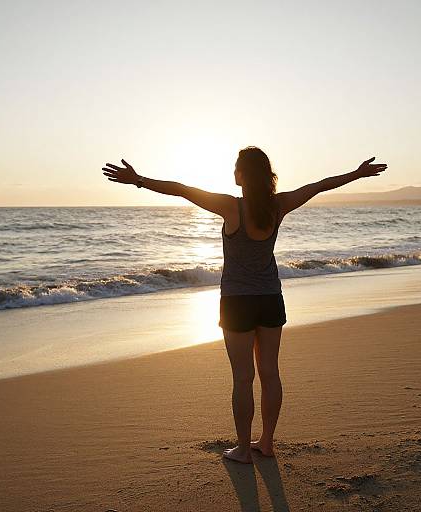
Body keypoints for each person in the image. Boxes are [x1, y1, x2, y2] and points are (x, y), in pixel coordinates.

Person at [102, 146, 388, 464]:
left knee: (242, 378)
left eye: (236, 169)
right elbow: (319, 185)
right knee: (270, 374)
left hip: (237, 302)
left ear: (242, 176)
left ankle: (242, 448)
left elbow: (181, 190)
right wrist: (358, 174)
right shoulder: (279, 205)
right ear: (267, 176)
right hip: (270, 299)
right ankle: (266, 443)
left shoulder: (230, 207)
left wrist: (137, 180)